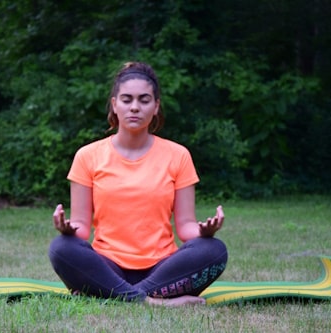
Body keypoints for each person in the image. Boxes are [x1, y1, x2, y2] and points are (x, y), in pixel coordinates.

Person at [49, 61, 228, 306]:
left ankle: (110, 295)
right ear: (114, 105)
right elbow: (81, 228)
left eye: (144, 100)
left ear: (156, 107)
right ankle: (151, 301)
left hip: (162, 268)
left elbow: (185, 227)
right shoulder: (87, 156)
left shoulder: (178, 155)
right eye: (127, 99)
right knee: (62, 248)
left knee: (214, 250)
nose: (135, 107)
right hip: (107, 266)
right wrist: (68, 229)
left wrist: (203, 232)